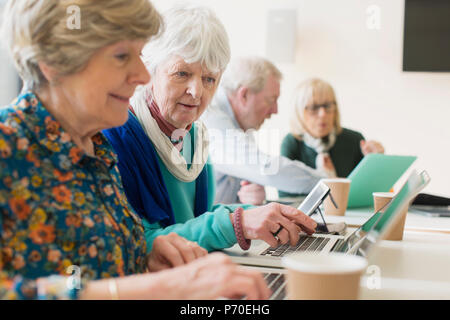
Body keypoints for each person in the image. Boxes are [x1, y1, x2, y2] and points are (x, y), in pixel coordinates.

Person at [0, 0, 270, 300]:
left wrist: (147, 252)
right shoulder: (7, 146)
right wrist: (154, 287)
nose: (143, 75)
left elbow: (98, 262)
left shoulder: (96, 149)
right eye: (120, 56)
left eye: (139, 55)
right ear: (53, 61)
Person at [103, 6, 317, 255]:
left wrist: (260, 215)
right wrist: (237, 223)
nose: (197, 92)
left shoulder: (195, 135)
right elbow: (141, 245)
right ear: (149, 71)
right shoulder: (118, 136)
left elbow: (197, 220)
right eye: (182, 73)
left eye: (209, 79)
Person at [201, 56, 329, 206]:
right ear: (244, 95)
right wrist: (328, 182)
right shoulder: (211, 118)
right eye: (271, 100)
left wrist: (252, 198)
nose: (275, 110)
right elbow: (268, 169)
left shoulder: (241, 127)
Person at [279, 78, 384, 197]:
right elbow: (285, 195)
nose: (323, 114)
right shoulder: (292, 143)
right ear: (298, 112)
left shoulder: (354, 140)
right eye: (314, 107)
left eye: (328, 106)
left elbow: (369, 192)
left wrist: (376, 162)